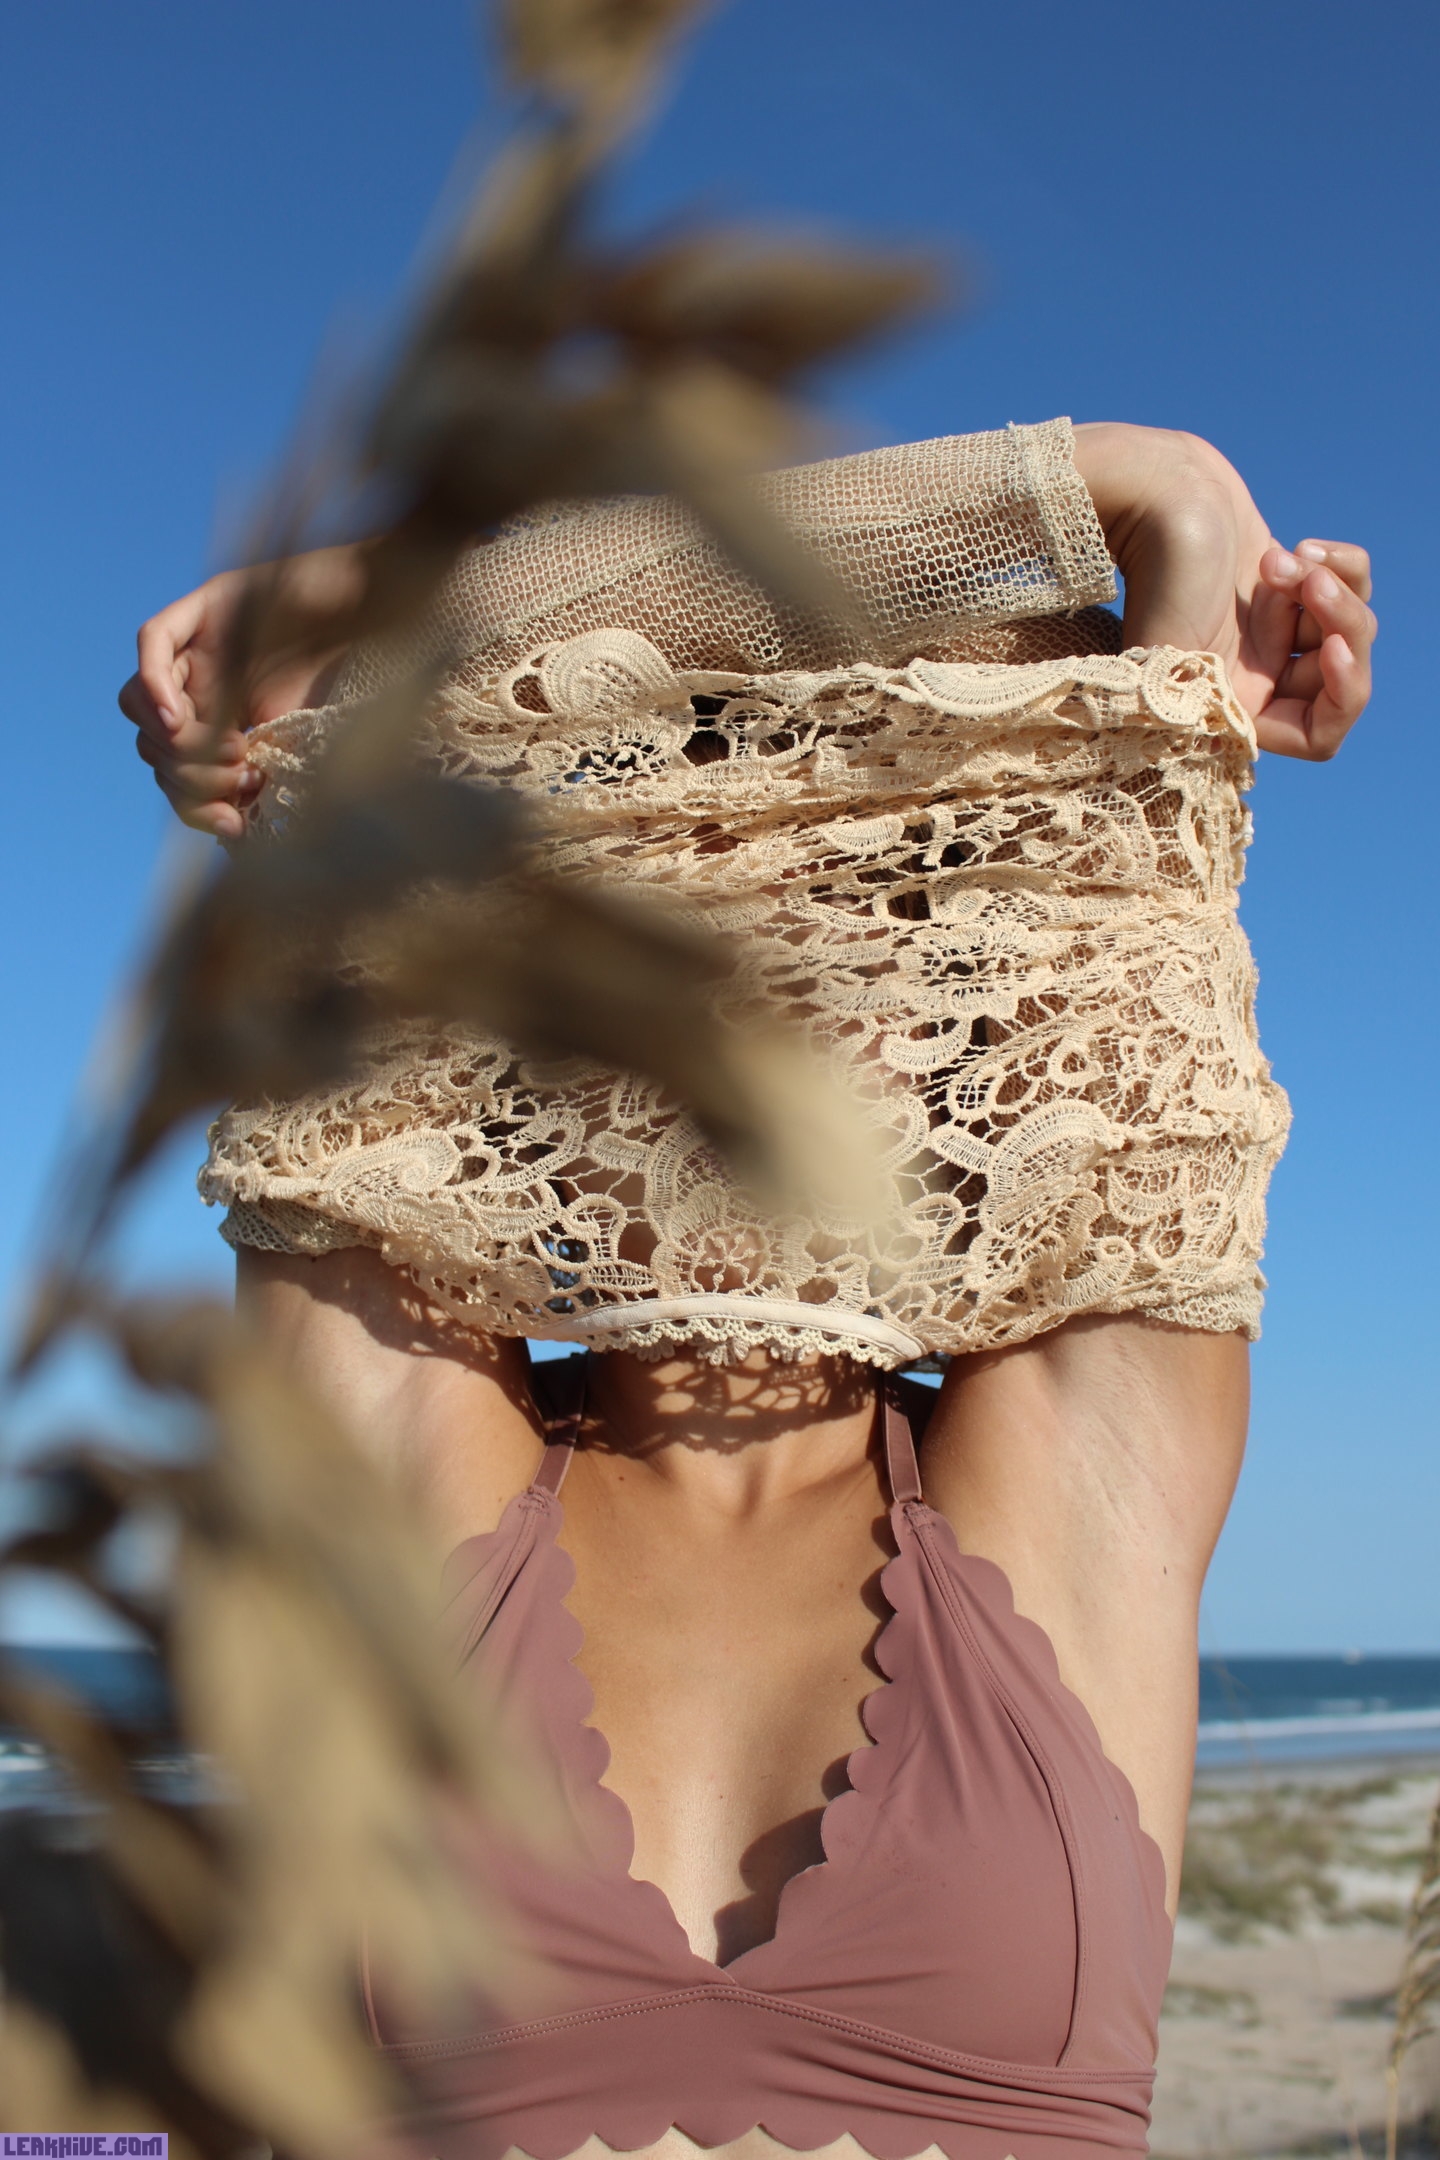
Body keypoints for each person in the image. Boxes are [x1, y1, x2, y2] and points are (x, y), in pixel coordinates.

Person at [120, 420, 1374, 2160]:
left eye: (837, 951)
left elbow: (1122, 778)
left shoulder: (1073, 1449)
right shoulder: (415, 1445)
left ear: (955, 1034)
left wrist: (1166, 500)